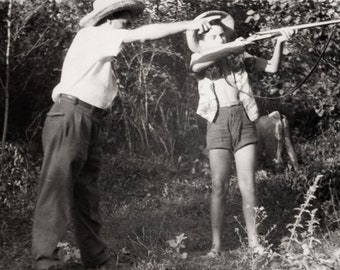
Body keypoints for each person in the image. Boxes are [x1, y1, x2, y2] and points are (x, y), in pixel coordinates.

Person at [31, 0, 219, 269]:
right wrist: (188, 24)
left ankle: (97, 261)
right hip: (70, 116)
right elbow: (143, 33)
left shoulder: (101, 45)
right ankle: (45, 263)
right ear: (109, 19)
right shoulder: (93, 34)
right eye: (126, 21)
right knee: (56, 191)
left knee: (87, 196)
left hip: (89, 119)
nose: (129, 25)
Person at [185, 10, 294, 257]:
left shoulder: (240, 55)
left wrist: (279, 41)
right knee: (219, 186)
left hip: (244, 119)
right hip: (217, 122)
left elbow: (272, 68)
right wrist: (234, 46)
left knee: (249, 185)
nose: (220, 39)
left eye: (222, 35)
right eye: (213, 37)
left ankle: (255, 242)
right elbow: (199, 64)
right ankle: (216, 246)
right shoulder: (198, 57)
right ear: (202, 42)